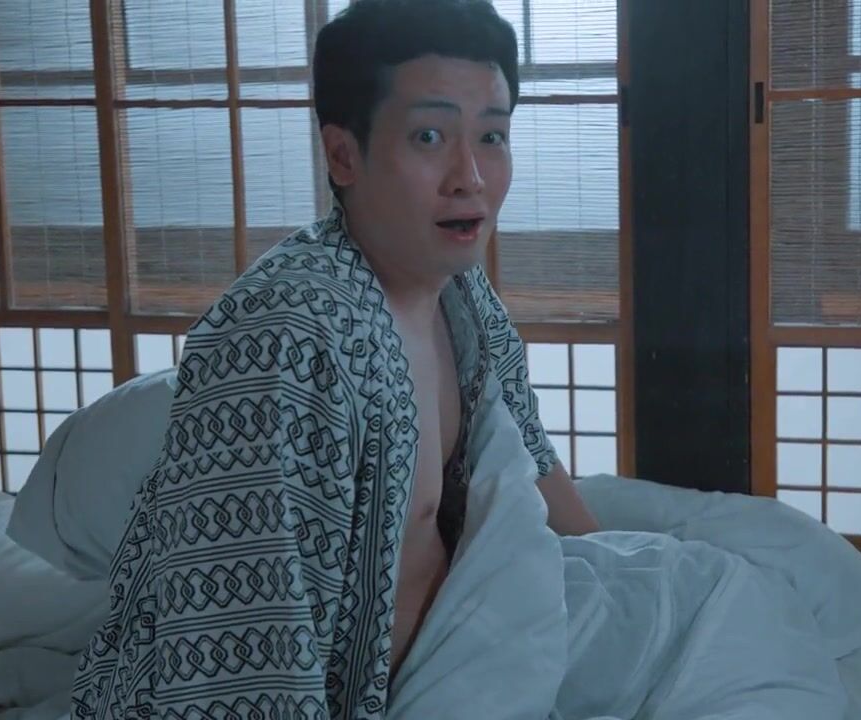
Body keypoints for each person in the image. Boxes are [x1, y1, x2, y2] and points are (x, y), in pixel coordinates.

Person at [70, 1, 598, 717]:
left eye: (493, 136)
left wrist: (623, 566)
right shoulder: (282, 340)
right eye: (430, 136)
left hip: (464, 662)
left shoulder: (462, 293)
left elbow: (531, 461)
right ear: (344, 155)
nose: (469, 176)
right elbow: (241, 645)